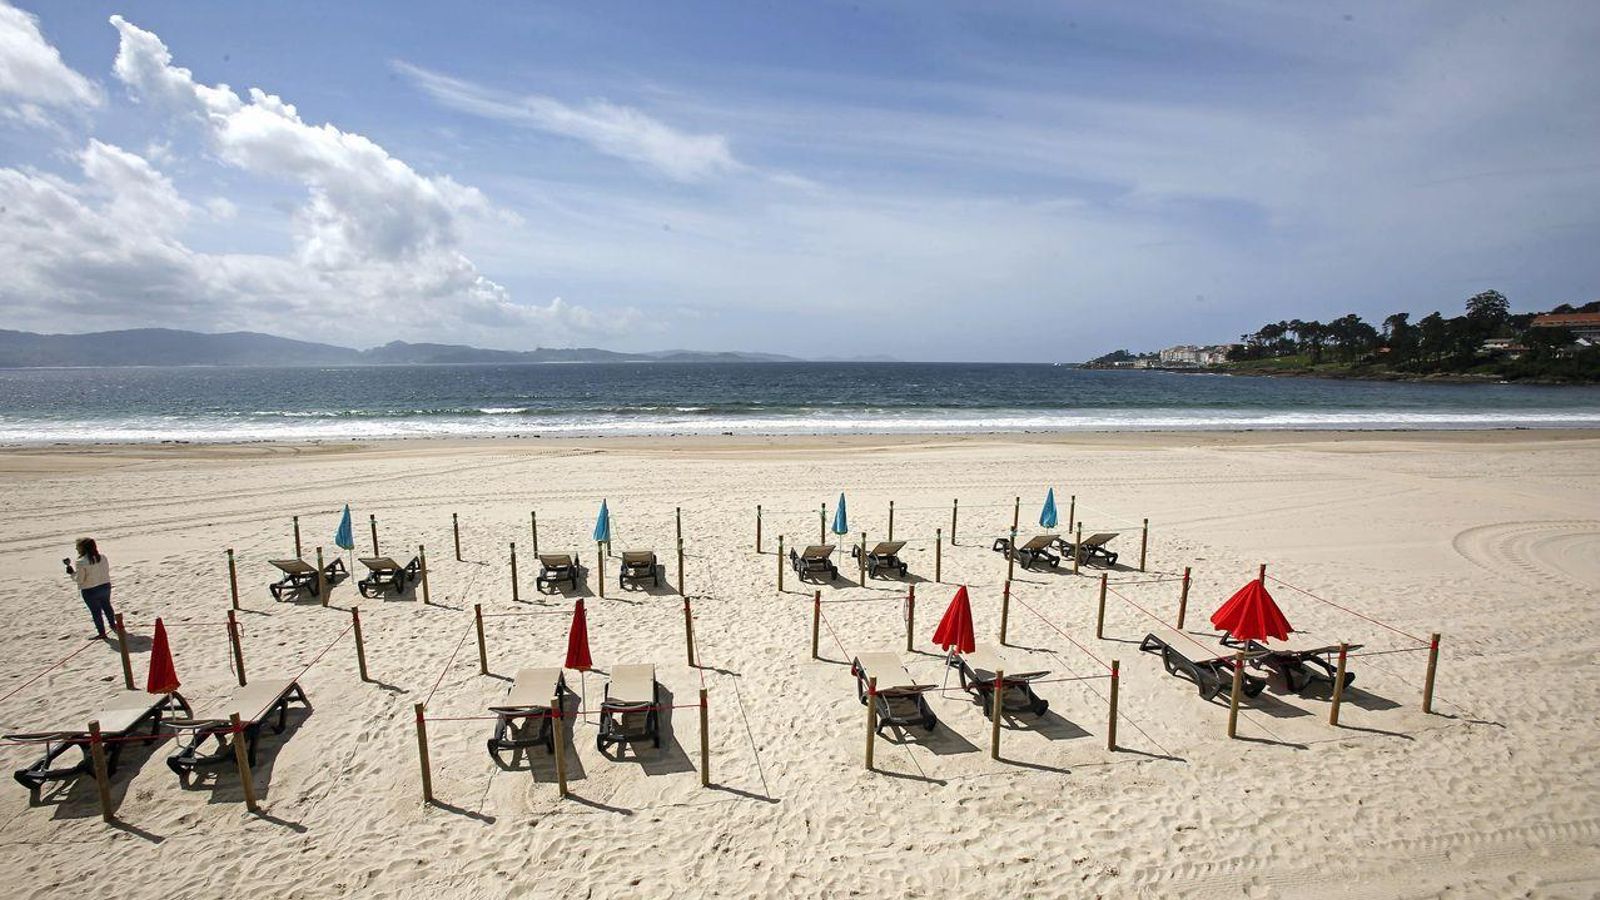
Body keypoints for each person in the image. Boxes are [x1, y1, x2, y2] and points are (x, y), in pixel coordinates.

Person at [66, 537, 115, 639]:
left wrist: (72, 574)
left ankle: (102, 633)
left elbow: (80, 580)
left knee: (96, 612)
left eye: (77, 547)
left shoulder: (81, 562)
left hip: (90, 590)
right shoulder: (102, 557)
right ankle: (114, 625)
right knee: (107, 606)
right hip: (105, 586)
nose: (76, 548)